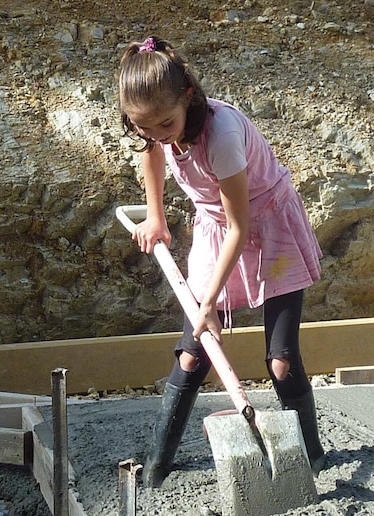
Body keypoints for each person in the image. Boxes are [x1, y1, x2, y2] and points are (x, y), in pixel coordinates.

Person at [118, 36, 325, 487]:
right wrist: (156, 217)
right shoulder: (155, 128)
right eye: (144, 127)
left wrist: (208, 300)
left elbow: (241, 226)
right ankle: (156, 468)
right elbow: (150, 155)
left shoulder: (223, 135)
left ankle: (312, 459)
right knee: (194, 354)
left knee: (280, 362)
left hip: (268, 226)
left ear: (188, 95)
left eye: (165, 123)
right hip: (216, 228)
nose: (156, 134)